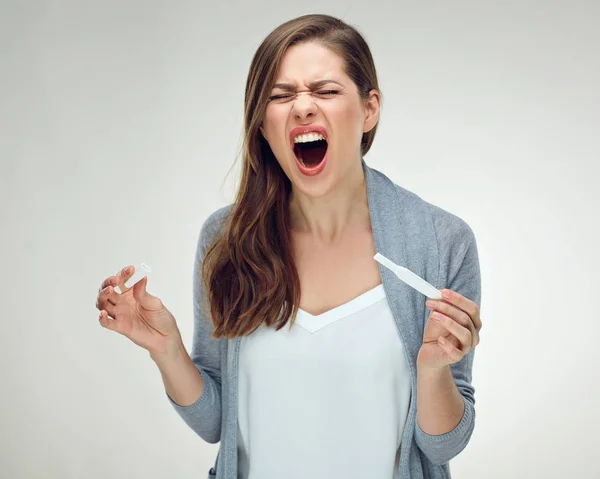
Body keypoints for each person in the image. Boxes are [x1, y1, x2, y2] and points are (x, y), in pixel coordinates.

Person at [95, 13, 482, 479]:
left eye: (325, 90)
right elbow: (217, 423)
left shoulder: (442, 243)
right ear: (261, 123)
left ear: (369, 109)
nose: (302, 107)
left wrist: (435, 370)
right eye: (281, 95)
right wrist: (167, 349)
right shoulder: (226, 241)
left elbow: (442, 447)